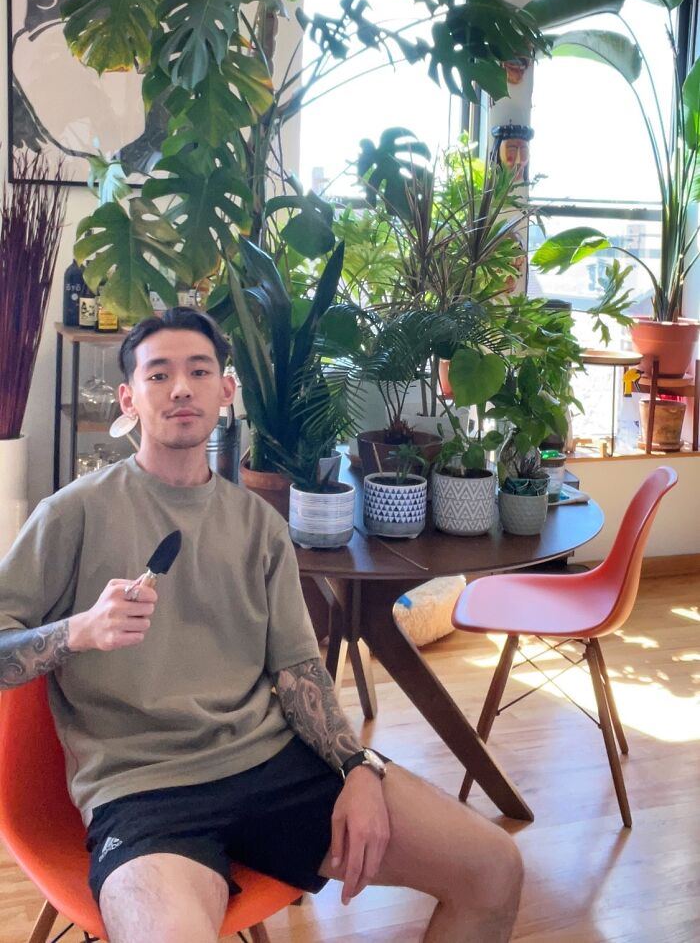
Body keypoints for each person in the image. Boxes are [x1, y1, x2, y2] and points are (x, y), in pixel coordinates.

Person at [0, 308, 523, 943]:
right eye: (158, 374)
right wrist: (79, 630)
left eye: (199, 371)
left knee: (494, 869)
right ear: (129, 398)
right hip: (144, 794)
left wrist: (357, 765)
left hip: (276, 766)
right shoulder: (73, 514)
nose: (181, 388)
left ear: (226, 392)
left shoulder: (259, 526)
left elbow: (300, 672)